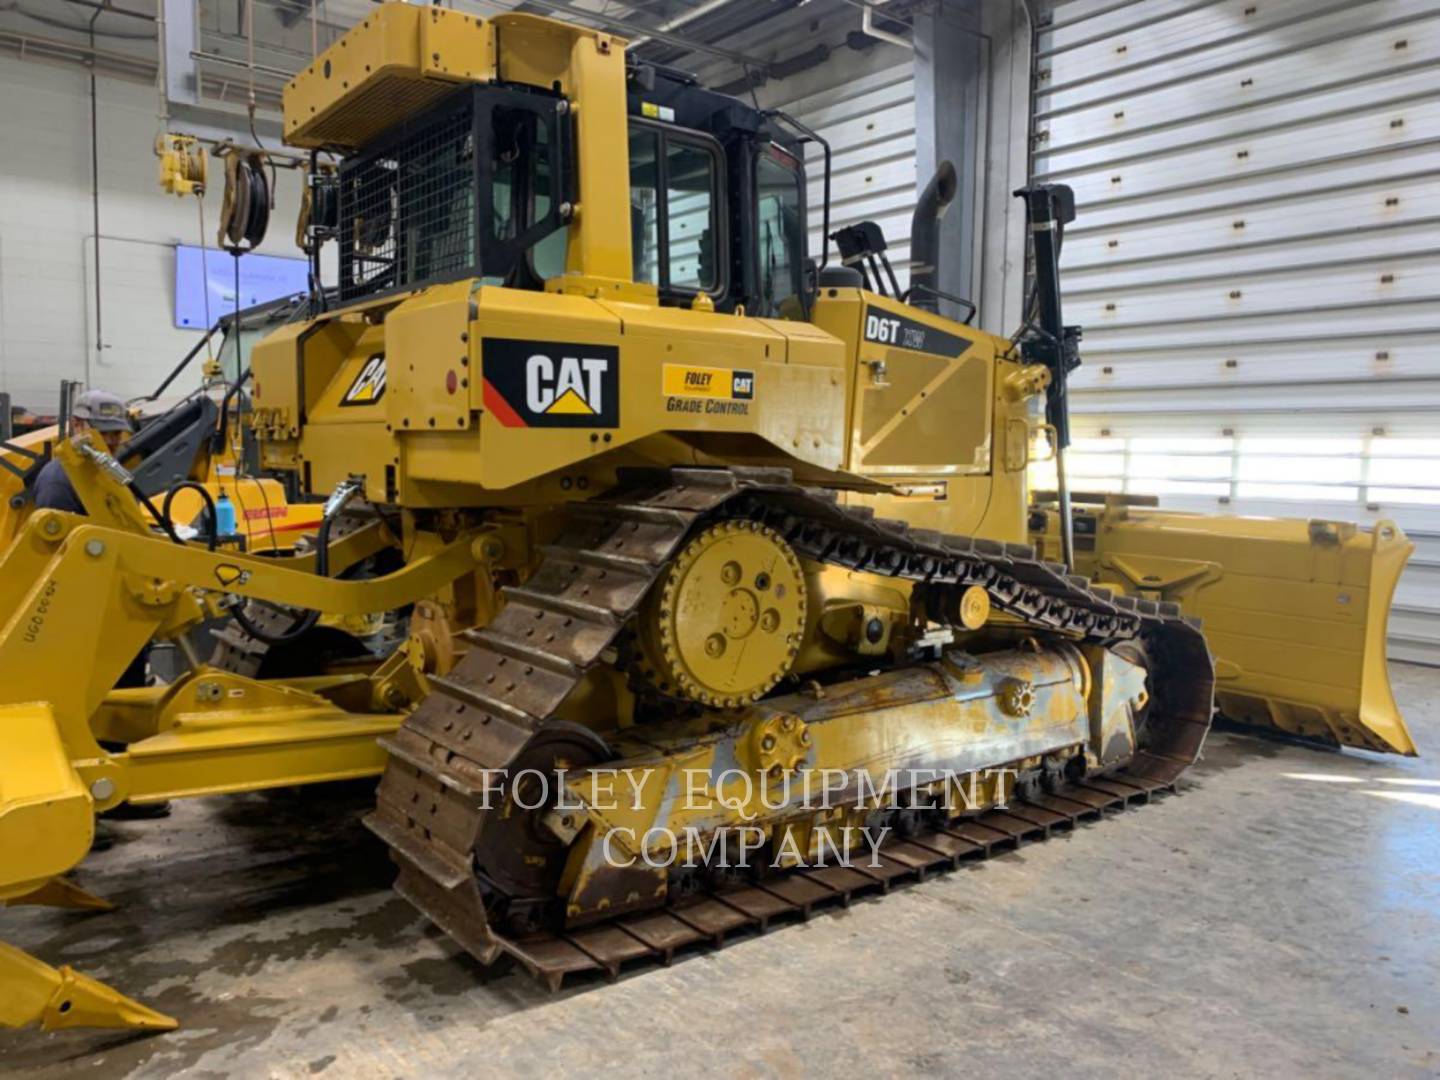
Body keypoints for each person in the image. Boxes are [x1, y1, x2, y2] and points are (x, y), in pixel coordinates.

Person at [32, 388, 132, 514]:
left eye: (117, 433)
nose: (110, 441)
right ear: (77, 425)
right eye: (102, 433)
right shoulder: (57, 481)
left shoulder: (109, 472)